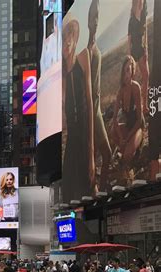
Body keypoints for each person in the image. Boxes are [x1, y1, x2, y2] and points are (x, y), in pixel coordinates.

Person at [62, 13, 96, 201]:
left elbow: (89, 103)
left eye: (70, 34)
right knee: (69, 192)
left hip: (84, 134)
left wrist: (91, 152)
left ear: (75, 35)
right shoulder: (61, 76)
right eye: (64, 36)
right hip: (72, 140)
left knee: (88, 185)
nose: (67, 40)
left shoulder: (83, 57)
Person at [87, 0, 112, 191]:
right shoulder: (86, 52)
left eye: (97, 17)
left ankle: (99, 190)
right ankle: (96, 192)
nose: (95, 21)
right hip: (92, 112)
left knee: (106, 154)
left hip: (97, 111)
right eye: (92, 17)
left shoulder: (94, 48)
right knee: (101, 154)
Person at [110, 55, 144, 179]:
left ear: (133, 71)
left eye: (128, 70)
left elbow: (140, 120)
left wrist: (127, 138)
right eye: (124, 71)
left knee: (127, 154)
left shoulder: (136, 88)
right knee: (113, 131)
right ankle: (124, 155)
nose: (126, 75)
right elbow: (114, 120)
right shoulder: (120, 92)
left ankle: (128, 155)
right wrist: (121, 138)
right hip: (128, 129)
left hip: (137, 127)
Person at [128, 0, 149, 115]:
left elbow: (145, 32)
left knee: (146, 76)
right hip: (134, 52)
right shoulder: (131, 20)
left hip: (141, 50)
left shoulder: (144, 15)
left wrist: (146, 48)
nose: (141, 2)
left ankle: (144, 106)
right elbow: (129, 40)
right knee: (133, 81)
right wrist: (129, 57)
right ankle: (136, 108)